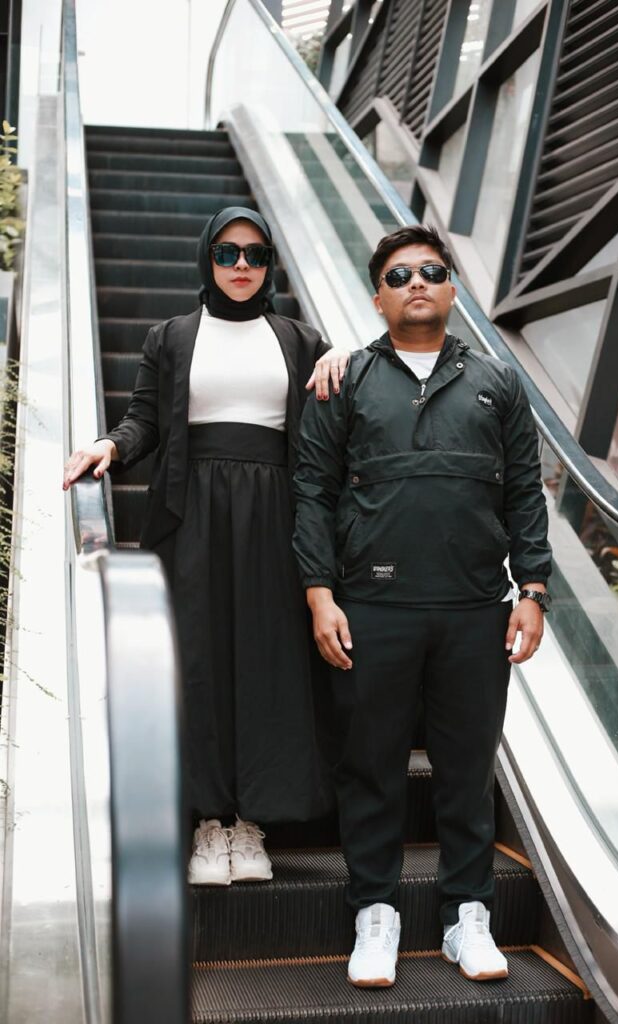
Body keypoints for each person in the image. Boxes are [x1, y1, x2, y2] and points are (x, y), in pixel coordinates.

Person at [293, 225, 552, 987]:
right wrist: (319, 594)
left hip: (474, 609)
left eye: (431, 271)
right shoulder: (344, 380)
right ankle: (375, 914)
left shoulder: (498, 382)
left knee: (466, 772)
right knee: (371, 768)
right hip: (372, 606)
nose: (416, 283)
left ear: (451, 289)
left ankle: (467, 916)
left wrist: (532, 590)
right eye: (399, 274)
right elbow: (312, 491)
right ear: (377, 297)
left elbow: (523, 492)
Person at [63, 206, 349, 886]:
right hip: (190, 514)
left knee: (268, 660)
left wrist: (349, 353)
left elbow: (340, 414)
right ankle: (207, 823)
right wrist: (109, 446)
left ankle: (251, 826)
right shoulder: (171, 336)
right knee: (196, 661)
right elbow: (145, 419)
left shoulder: (300, 338)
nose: (241, 266)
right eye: (227, 253)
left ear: (269, 264)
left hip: (275, 515)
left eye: (255, 254)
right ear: (207, 259)